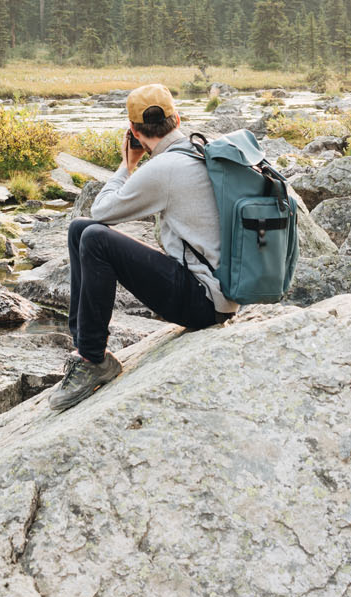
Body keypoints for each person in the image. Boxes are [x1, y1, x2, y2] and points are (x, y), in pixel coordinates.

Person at [49, 82, 237, 412]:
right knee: (81, 230)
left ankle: (93, 358)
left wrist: (127, 164)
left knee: (93, 236)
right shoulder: (199, 150)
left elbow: (102, 211)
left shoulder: (163, 168)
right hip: (221, 295)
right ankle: (85, 349)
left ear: (134, 131)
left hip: (204, 304)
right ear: (177, 120)